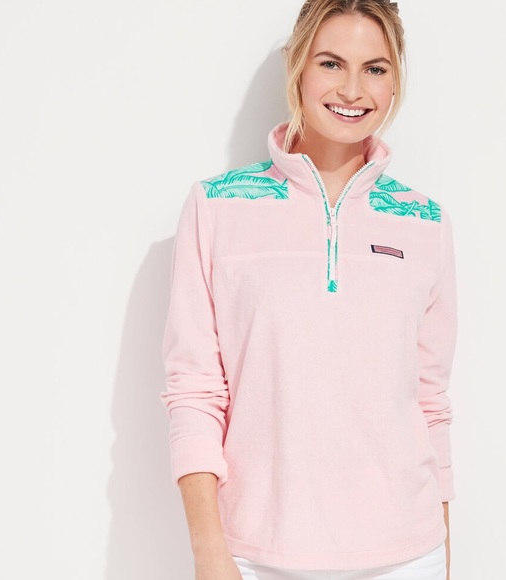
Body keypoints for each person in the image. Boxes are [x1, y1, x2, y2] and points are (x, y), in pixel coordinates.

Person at [160, 1, 457, 578]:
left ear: (396, 79)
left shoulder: (425, 222)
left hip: (408, 554)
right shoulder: (217, 206)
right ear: (296, 66)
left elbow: (432, 404)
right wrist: (209, 552)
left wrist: (443, 556)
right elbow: (194, 391)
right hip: (256, 555)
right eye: (331, 63)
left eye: (375, 68)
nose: (353, 89)